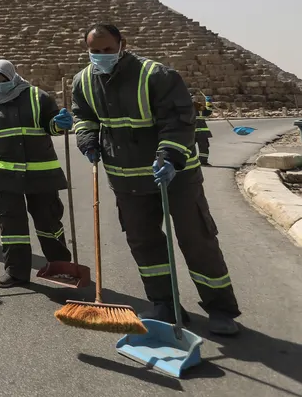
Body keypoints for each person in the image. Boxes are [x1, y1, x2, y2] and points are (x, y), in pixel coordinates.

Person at [73, 23, 240, 335]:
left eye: (108, 50)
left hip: (173, 175)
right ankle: (164, 302)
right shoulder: (83, 81)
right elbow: (84, 116)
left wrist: (170, 157)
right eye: (95, 51)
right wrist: (88, 140)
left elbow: (178, 120)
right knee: (143, 242)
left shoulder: (156, 76)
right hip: (126, 178)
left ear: (123, 44)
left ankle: (220, 308)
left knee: (196, 239)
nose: (101, 56)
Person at [0, 59, 74, 287]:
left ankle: (61, 267)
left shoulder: (38, 96)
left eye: (4, 80)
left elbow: (51, 124)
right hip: (4, 175)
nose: (0, 84)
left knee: (49, 221)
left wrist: (60, 124)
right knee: (11, 226)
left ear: (13, 76)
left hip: (41, 173)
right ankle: (16, 272)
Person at [194, 94, 213, 165]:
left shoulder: (199, 107)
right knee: (189, 149)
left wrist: (209, 103)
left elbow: (208, 112)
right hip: (193, 132)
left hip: (200, 132)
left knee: (204, 148)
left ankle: (203, 162)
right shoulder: (185, 107)